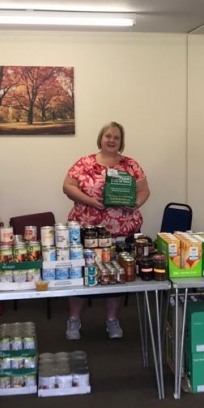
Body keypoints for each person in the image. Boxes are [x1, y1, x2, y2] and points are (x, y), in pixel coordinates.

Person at [62, 122, 150, 340]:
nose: (111, 140)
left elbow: (144, 190)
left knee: (117, 276)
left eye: (116, 137)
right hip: (87, 231)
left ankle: (112, 320)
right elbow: (67, 186)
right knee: (81, 274)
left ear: (121, 142)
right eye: (107, 136)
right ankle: (74, 320)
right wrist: (90, 201)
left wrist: (135, 204)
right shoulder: (85, 163)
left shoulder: (131, 165)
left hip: (122, 231)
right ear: (100, 138)